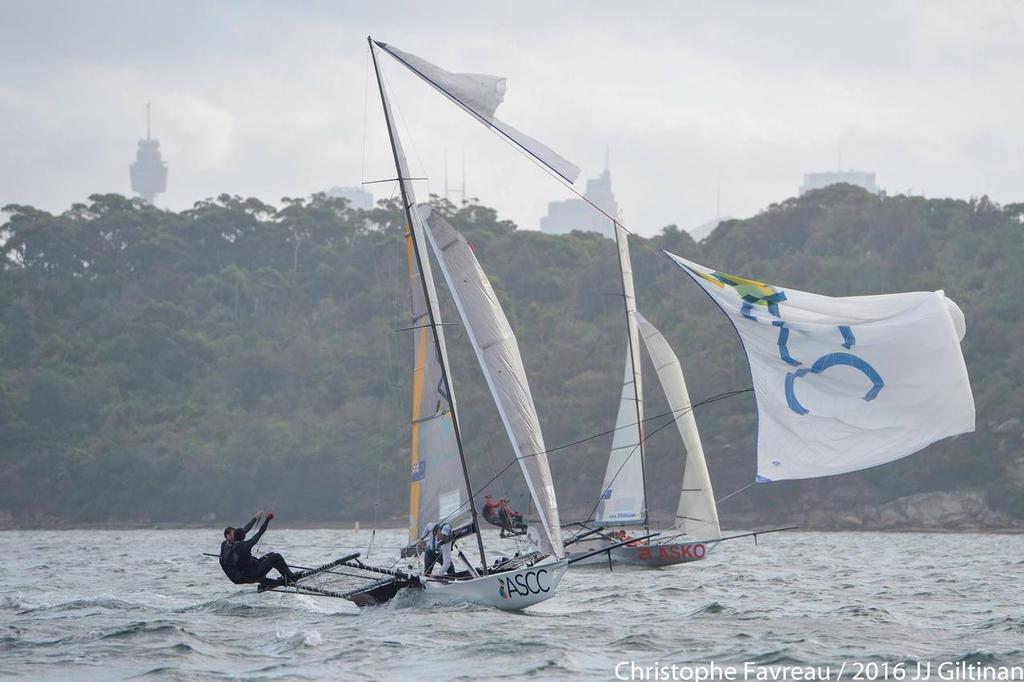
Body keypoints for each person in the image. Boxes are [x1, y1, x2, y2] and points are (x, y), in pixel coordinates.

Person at [219, 511, 298, 585]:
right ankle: (292, 577)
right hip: (253, 574)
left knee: (271, 555)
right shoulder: (246, 545)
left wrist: (255, 518)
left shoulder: (228, 545)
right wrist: (267, 519)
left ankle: (283, 577)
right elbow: (260, 532)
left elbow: (246, 529)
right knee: (276, 557)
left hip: (246, 574)